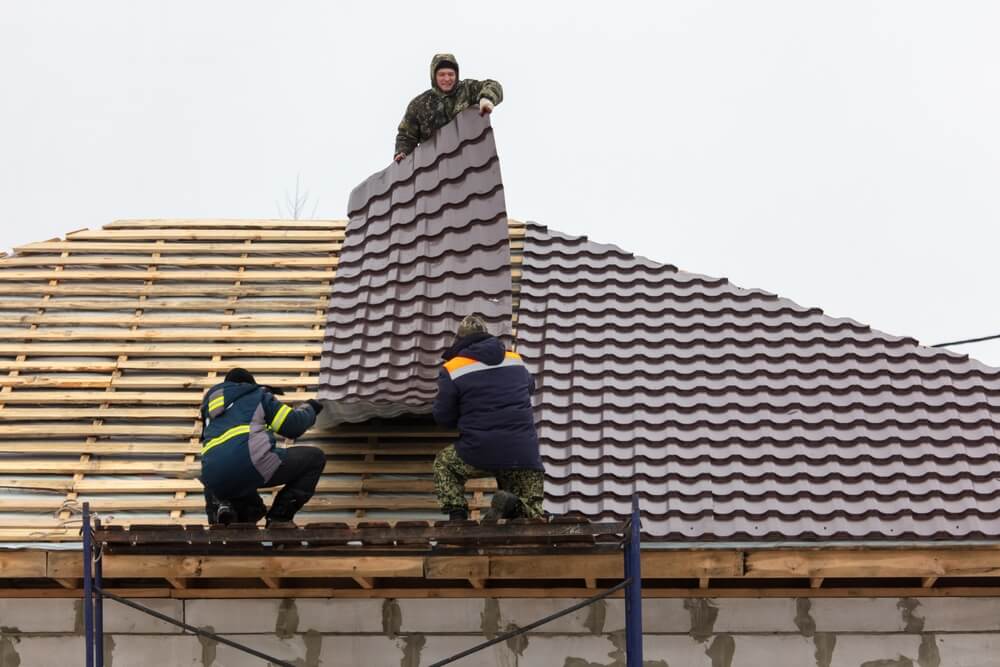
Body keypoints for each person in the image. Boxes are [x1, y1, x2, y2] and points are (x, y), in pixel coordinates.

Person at [432, 315, 544, 521]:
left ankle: (457, 515)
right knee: (533, 511)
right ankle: (514, 506)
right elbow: (530, 387)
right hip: (524, 452)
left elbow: (443, 417)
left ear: (460, 340)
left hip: (479, 450)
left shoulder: (453, 368)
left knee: (444, 465)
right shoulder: (515, 359)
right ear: (487, 336)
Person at [199, 368, 326, 527]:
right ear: (248, 384)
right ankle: (280, 518)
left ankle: (225, 509)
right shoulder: (257, 395)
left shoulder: (209, 409)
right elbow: (293, 425)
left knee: (254, 508)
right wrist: (311, 407)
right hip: (251, 465)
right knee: (315, 458)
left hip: (213, 479)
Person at [394, 53, 503, 162]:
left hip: (468, 157)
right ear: (434, 76)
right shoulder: (419, 104)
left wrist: (486, 99)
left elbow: (493, 85)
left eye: (451, 74)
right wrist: (402, 152)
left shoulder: (467, 89)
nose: (447, 79)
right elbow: (406, 135)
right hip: (434, 164)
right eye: (442, 74)